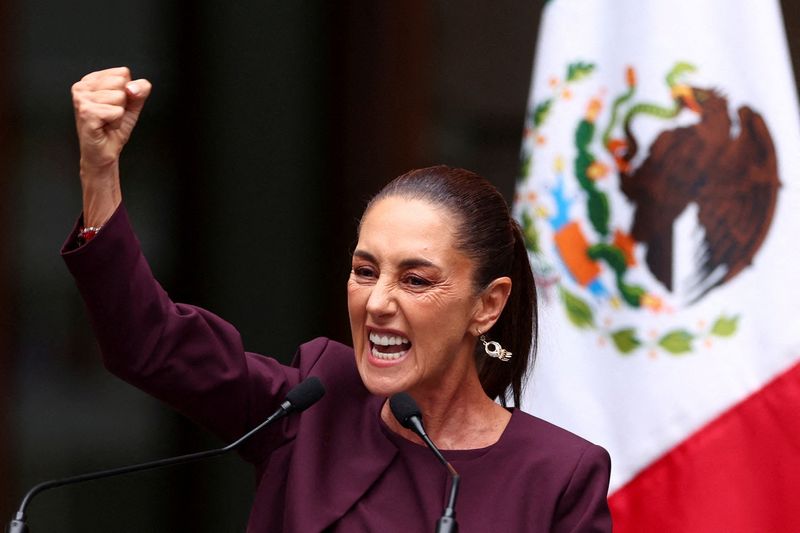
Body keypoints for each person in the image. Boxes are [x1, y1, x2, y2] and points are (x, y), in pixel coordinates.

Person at [65, 67, 612, 532]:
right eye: (365, 270)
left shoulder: (560, 473)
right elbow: (150, 343)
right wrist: (99, 170)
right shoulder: (314, 404)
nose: (377, 303)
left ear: (486, 306)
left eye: (416, 280)